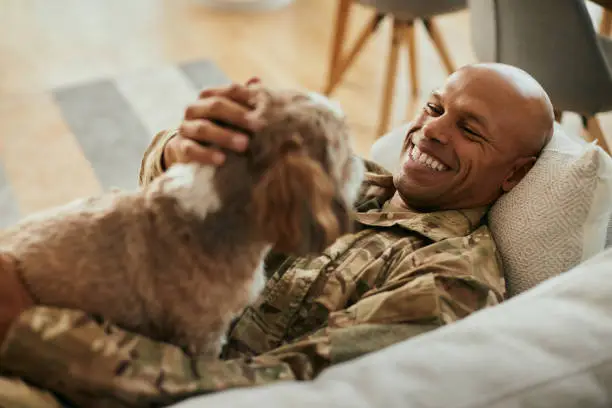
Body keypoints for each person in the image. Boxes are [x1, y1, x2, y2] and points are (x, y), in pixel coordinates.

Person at [0, 62, 554, 408]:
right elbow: (171, 220)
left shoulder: (447, 278)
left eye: (469, 129)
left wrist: (33, 326)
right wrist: (183, 151)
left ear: (515, 173)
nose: (431, 130)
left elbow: (285, 389)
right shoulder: (349, 179)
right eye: (434, 107)